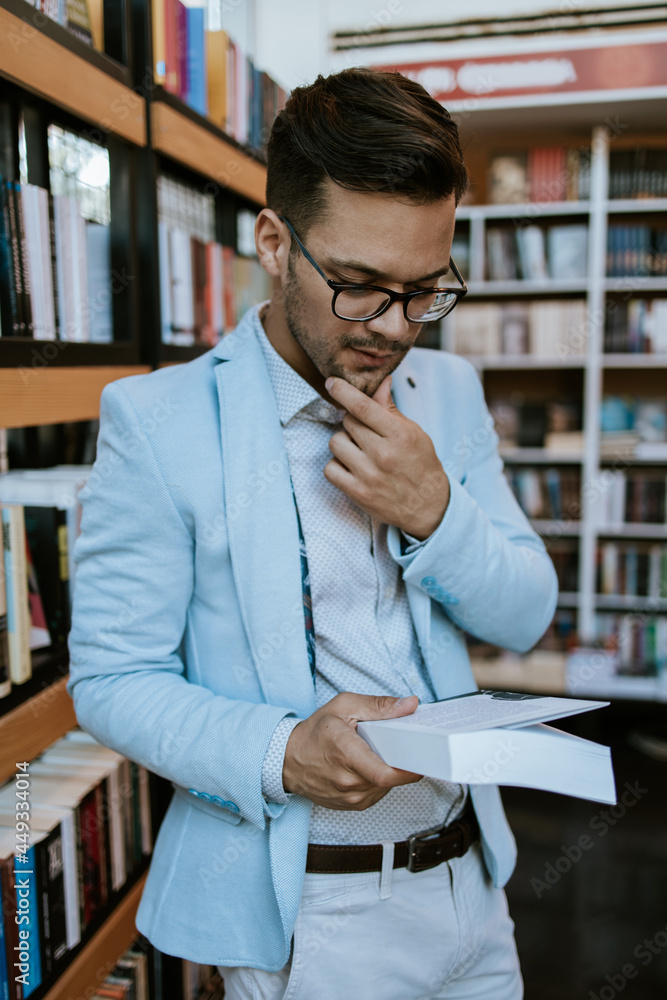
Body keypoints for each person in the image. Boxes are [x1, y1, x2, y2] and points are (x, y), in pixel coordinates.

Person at [67, 67, 558, 1000]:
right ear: (273, 242)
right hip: (312, 920)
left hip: (472, 886)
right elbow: (111, 679)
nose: (395, 327)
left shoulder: (447, 395)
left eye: (424, 290)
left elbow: (527, 614)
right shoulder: (157, 422)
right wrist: (281, 750)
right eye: (361, 287)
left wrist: (435, 513)